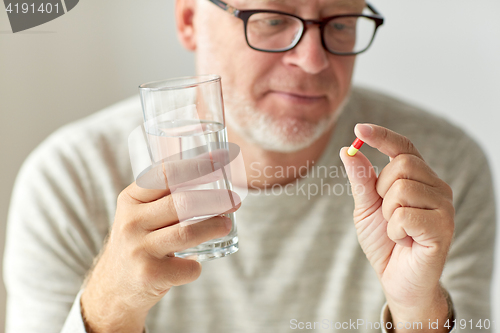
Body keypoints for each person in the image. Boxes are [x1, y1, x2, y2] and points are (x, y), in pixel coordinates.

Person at [4, 0, 496, 332]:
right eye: (272, 17)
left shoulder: (434, 173)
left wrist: (417, 312)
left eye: (340, 24)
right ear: (190, 18)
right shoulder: (69, 180)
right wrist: (111, 306)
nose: (312, 60)